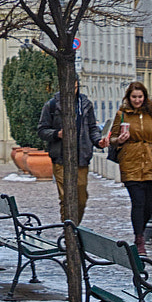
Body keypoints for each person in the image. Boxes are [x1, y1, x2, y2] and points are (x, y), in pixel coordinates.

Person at [106, 80, 152, 255]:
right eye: (134, 97)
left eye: (140, 97)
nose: (137, 100)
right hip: (130, 162)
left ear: (145, 96)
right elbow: (111, 138)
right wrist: (119, 140)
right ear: (129, 97)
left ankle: (140, 232)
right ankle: (139, 238)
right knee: (138, 202)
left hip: (151, 163)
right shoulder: (122, 114)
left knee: (149, 205)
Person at [38, 78, 102, 222]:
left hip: (81, 158)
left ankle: (74, 227)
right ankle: (69, 233)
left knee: (81, 198)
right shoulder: (53, 105)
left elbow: (92, 128)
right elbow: (42, 130)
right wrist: (57, 134)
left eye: (74, 87)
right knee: (66, 198)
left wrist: (98, 141)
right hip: (61, 158)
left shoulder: (85, 104)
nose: (71, 91)